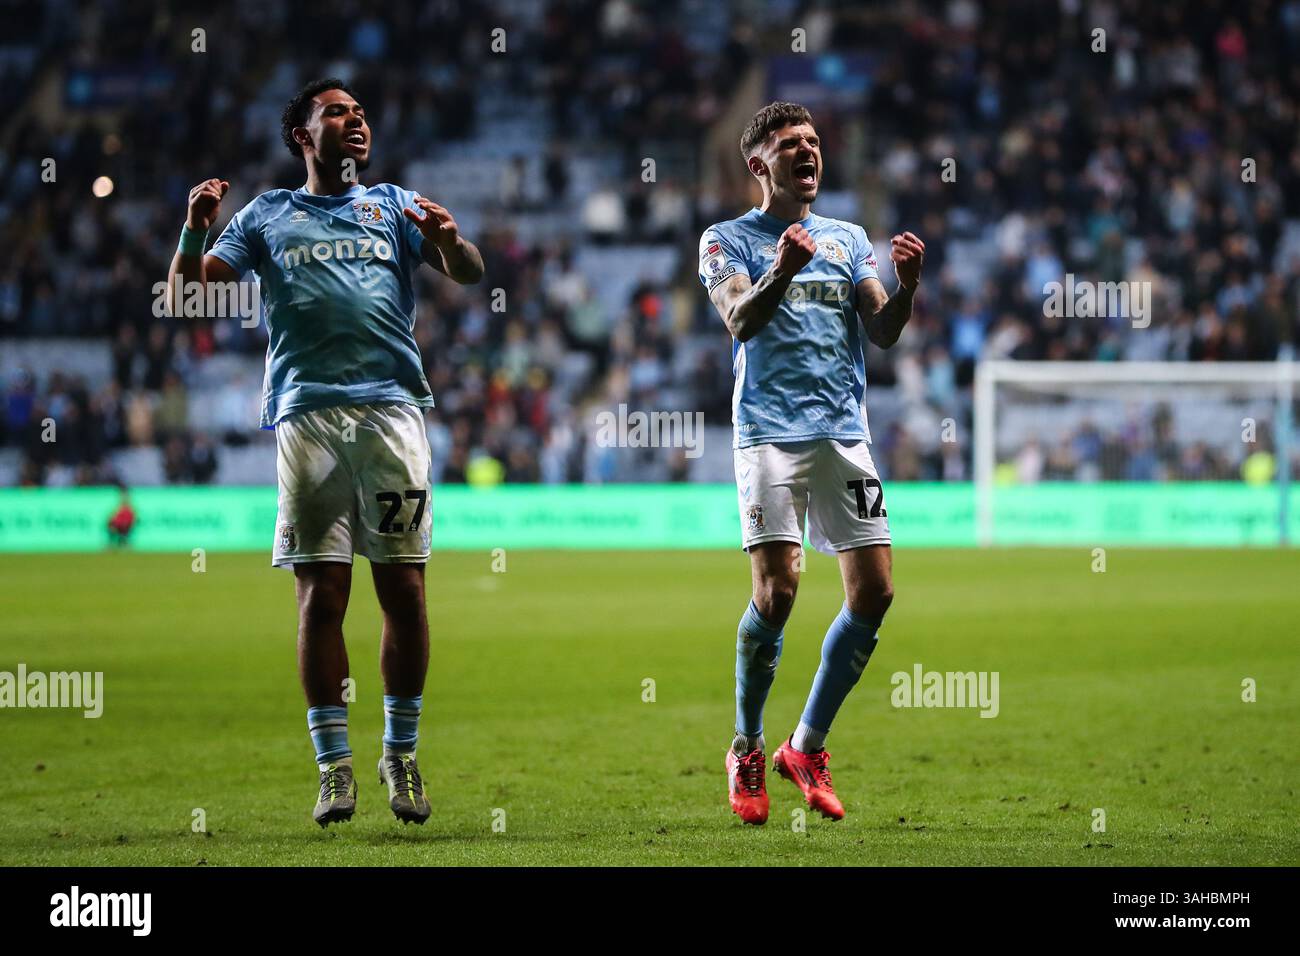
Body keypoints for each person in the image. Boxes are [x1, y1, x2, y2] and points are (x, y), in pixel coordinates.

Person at [166, 78, 484, 827]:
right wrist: (192, 230)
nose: (356, 121)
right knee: (323, 597)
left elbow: (469, 271)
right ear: (304, 136)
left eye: (362, 112)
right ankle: (334, 767)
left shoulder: (395, 205)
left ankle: (400, 754)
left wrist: (446, 242)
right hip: (307, 422)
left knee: (404, 592)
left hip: (393, 417)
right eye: (337, 113)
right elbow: (186, 297)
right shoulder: (267, 215)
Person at [699, 102, 924, 825]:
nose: (809, 151)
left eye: (815, 141)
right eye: (791, 143)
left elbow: (881, 330)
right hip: (768, 433)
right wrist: (781, 271)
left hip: (843, 432)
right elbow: (740, 320)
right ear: (758, 164)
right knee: (778, 593)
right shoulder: (724, 240)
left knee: (876, 592)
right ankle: (747, 745)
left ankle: (807, 745)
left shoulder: (849, 237)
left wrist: (908, 286)